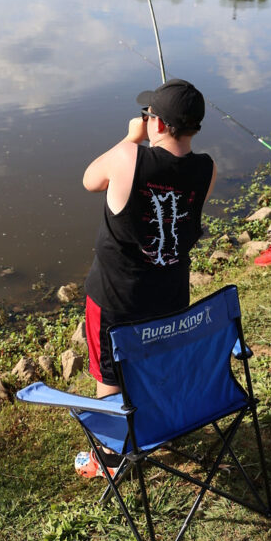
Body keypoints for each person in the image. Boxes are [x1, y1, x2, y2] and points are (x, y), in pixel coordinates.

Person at [75, 79, 216, 478]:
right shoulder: (207, 169)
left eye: (149, 114)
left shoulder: (127, 157)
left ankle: (112, 457)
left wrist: (129, 137)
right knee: (153, 361)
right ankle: (157, 426)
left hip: (116, 298)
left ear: (156, 123)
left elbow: (89, 180)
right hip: (169, 295)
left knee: (110, 374)